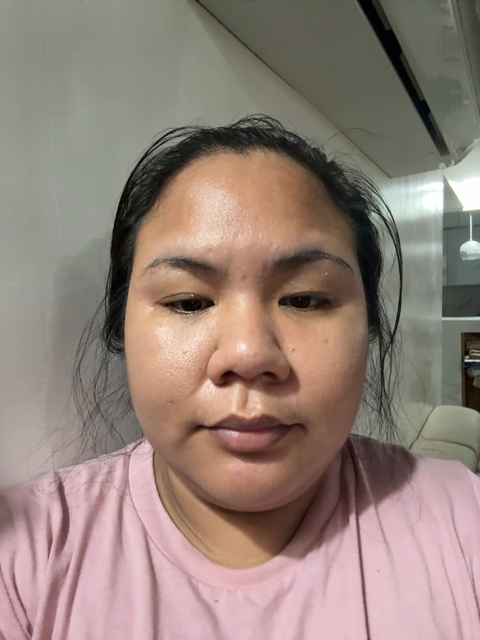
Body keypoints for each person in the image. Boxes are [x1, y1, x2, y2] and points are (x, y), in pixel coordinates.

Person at [1, 115, 479, 639]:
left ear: (370, 327)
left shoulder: (462, 523)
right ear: (121, 327)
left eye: (304, 299)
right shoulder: (25, 559)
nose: (249, 355)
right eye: (189, 302)